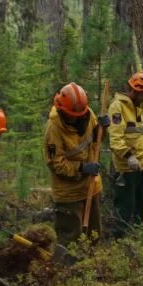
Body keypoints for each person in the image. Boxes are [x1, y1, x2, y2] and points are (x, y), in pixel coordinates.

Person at [44, 83, 106, 247]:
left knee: (94, 235)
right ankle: (68, 271)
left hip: (91, 187)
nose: (76, 118)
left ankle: (92, 270)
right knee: (70, 239)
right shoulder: (53, 128)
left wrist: (102, 128)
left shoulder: (87, 113)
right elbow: (55, 163)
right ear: (62, 110)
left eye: (79, 115)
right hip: (68, 194)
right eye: (72, 115)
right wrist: (82, 167)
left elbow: (95, 139)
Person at [107, 72, 143, 237]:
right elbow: (116, 139)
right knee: (125, 207)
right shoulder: (117, 107)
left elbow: (137, 134)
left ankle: (142, 238)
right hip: (126, 168)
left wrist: (142, 157)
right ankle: (121, 244)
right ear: (135, 91)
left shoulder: (138, 107)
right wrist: (129, 156)